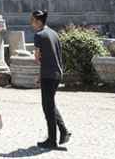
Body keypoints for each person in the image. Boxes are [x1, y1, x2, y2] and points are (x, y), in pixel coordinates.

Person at [30, 9, 70, 149]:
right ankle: (63, 131)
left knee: (47, 107)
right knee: (50, 104)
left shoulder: (39, 35)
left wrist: (41, 73)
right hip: (57, 73)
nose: (31, 23)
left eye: (32, 20)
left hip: (47, 74)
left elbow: (37, 58)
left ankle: (52, 139)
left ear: (38, 21)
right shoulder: (54, 34)